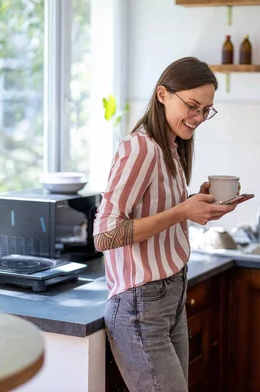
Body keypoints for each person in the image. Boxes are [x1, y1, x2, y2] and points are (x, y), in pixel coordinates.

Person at [93, 56, 239, 392]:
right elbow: (105, 235)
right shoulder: (140, 147)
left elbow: (155, 208)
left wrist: (195, 202)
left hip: (170, 294)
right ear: (163, 95)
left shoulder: (170, 146)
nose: (199, 117)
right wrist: (181, 212)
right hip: (140, 304)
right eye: (192, 105)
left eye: (206, 110)